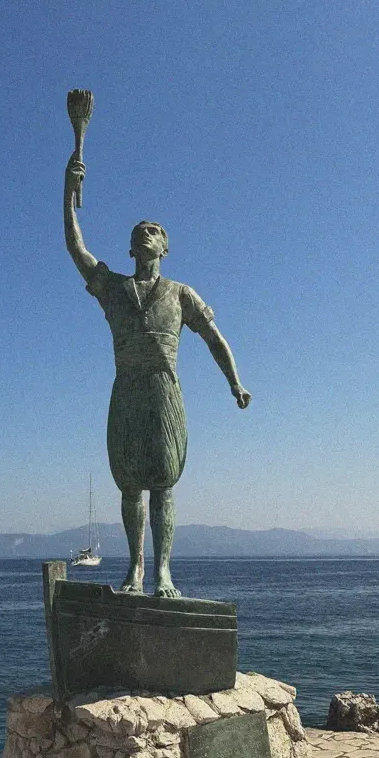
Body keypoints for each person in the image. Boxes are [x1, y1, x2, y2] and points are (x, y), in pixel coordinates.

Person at [64, 154, 251, 597]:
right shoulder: (112, 290)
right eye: (139, 233)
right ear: (131, 250)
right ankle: (136, 570)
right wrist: (68, 194)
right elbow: (76, 248)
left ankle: (163, 571)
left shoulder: (181, 294)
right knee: (130, 485)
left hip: (164, 391)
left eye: (155, 231)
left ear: (165, 247)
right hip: (126, 389)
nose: (146, 234)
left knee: (164, 483)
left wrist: (234, 382)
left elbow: (214, 339)